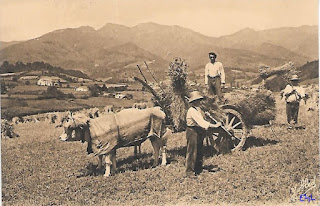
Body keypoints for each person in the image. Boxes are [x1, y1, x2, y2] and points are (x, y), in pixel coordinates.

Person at [185, 91, 221, 176]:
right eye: (197, 100)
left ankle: (198, 169)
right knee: (192, 151)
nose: (199, 102)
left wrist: (206, 115)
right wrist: (215, 126)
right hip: (192, 131)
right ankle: (189, 172)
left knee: (199, 150)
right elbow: (202, 122)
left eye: (199, 100)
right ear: (193, 102)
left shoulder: (198, 109)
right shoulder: (192, 110)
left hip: (199, 131)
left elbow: (203, 119)